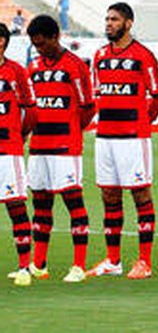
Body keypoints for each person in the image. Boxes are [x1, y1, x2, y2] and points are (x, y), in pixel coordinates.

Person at [88, 2, 158, 280]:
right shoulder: (98, 55)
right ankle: (113, 260)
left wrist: (141, 123)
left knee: (140, 195)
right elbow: (99, 93)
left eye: (115, 19)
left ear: (129, 23)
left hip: (133, 139)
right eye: (107, 18)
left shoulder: (144, 56)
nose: (109, 23)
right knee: (109, 195)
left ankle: (144, 261)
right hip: (105, 137)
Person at [24, 15, 94, 283]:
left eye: (42, 44)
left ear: (55, 38)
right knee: (41, 204)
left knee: (73, 202)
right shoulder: (34, 66)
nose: (39, 49)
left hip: (65, 147)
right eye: (35, 45)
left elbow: (88, 107)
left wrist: (71, 131)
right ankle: (38, 264)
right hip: (39, 146)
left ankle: (78, 266)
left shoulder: (75, 67)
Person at [0, 23, 35, 286]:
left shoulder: (16, 72)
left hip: (7, 150)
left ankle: (25, 266)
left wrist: (19, 135)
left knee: (15, 206)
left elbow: (31, 111)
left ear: (2, 41)